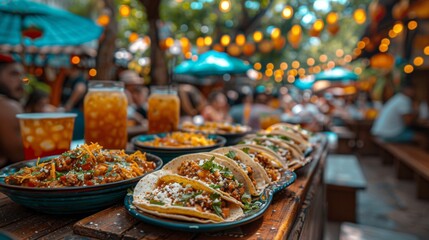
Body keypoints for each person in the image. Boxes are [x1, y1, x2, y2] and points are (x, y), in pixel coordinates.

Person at [0, 55, 25, 167]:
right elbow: (21, 157)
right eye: (14, 74)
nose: (21, 80)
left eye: (22, 75)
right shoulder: (8, 107)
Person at [60, 66, 86, 139]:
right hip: (67, 113)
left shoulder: (79, 79)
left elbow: (80, 89)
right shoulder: (67, 78)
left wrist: (69, 104)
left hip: (75, 113)